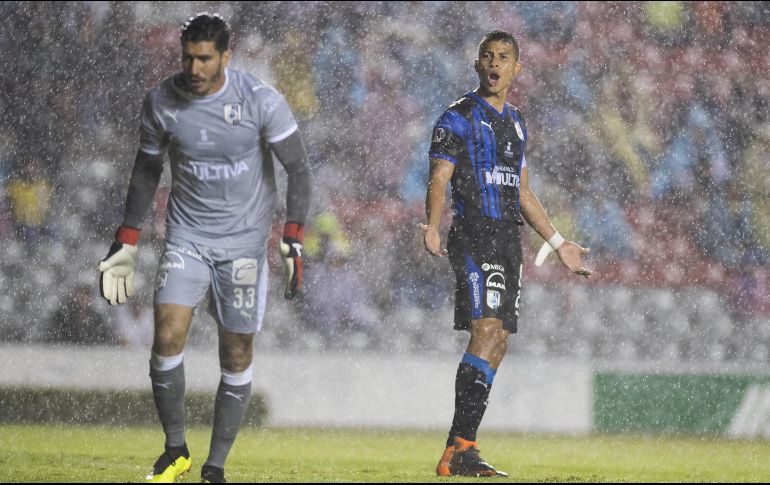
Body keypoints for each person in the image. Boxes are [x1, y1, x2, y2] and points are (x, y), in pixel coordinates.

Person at [97, 13, 312, 484]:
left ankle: (215, 467)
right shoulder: (161, 102)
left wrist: (293, 234)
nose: (194, 68)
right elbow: (145, 170)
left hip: (243, 248)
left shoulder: (259, 101)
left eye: (204, 58)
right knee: (167, 334)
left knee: (235, 354)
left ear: (225, 57)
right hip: (186, 238)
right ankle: (175, 450)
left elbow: (298, 167)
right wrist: (126, 239)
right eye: (188, 58)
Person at [420, 30, 593, 477]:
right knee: (486, 329)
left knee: (499, 341)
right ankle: (458, 451)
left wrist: (558, 244)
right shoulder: (456, 117)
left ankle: (463, 446)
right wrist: (433, 224)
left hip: (507, 240)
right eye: (487, 56)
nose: (494, 64)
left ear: (518, 68)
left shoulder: (517, 122)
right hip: (474, 234)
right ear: (477, 64)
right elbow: (439, 176)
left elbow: (524, 191)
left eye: (504, 57)